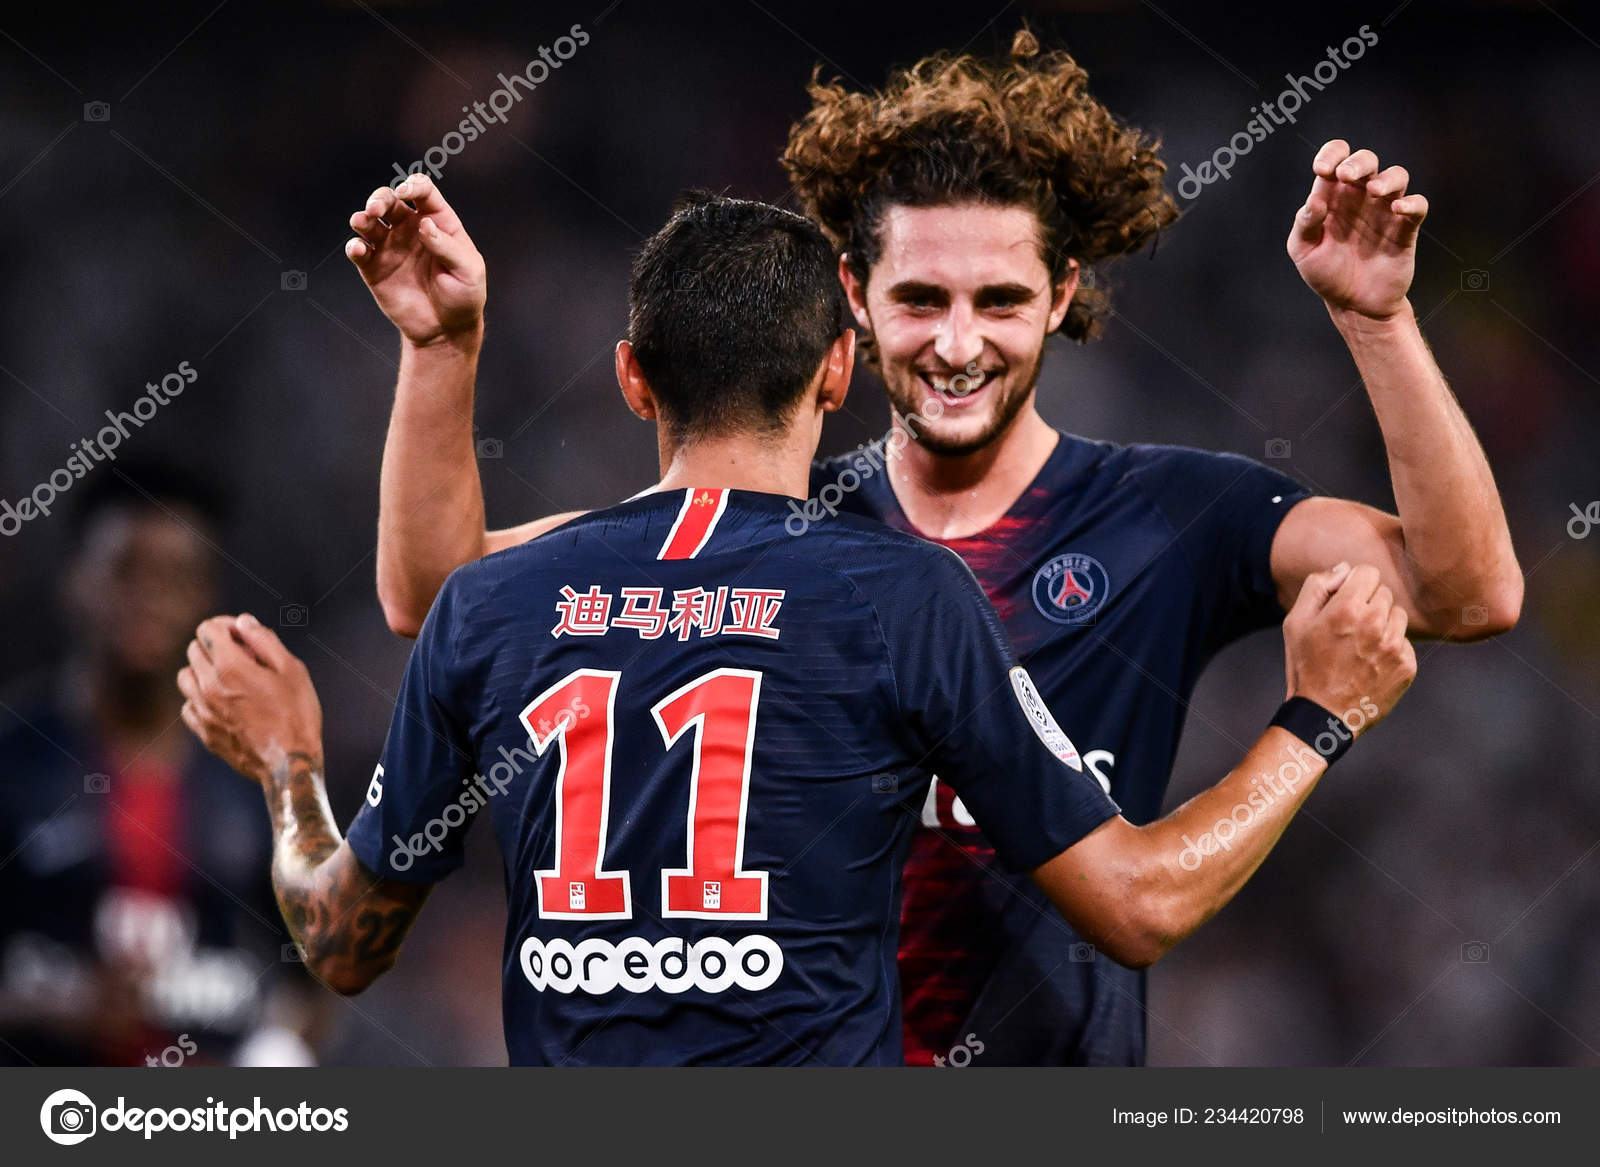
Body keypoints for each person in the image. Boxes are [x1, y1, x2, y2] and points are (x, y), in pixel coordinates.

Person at [358, 34, 1521, 1066]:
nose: (957, 345)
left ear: (1062, 296)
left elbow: (1464, 591)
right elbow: (445, 587)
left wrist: (1377, 320)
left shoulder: (1173, 513)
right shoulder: (775, 526)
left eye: (1000, 299)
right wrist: (438, 349)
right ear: (852, 304)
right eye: (919, 298)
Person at [179, 194, 1412, 1066]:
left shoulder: (498, 600)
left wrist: (289, 765)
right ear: (838, 369)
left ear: (630, 379)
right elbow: (1136, 906)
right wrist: (1321, 713)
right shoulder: (904, 595)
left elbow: (338, 942)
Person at [0, 464, 315, 1066]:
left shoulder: (259, 784)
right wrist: (56, 1009)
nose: (148, 600)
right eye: (126, 572)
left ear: (206, 600)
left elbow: (313, 980)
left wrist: (278, 1053)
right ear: (75, 581)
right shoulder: (12, 762)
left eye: (176, 578)